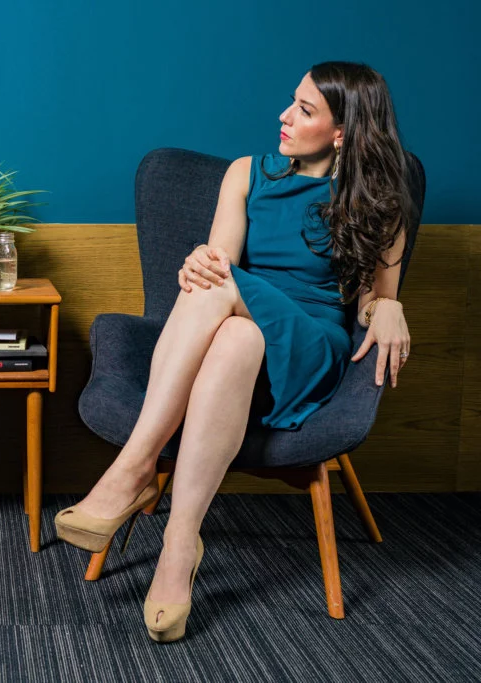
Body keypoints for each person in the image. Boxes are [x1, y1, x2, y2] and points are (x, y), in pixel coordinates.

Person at [54, 62, 415, 643]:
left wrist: (388, 306)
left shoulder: (380, 202)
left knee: (222, 287)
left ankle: (134, 467)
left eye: (303, 109)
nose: (283, 115)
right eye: (290, 102)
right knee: (232, 322)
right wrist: (197, 262)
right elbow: (217, 262)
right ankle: (179, 548)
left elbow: (373, 301)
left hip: (311, 341)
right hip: (242, 336)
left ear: (342, 132)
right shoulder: (247, 174)